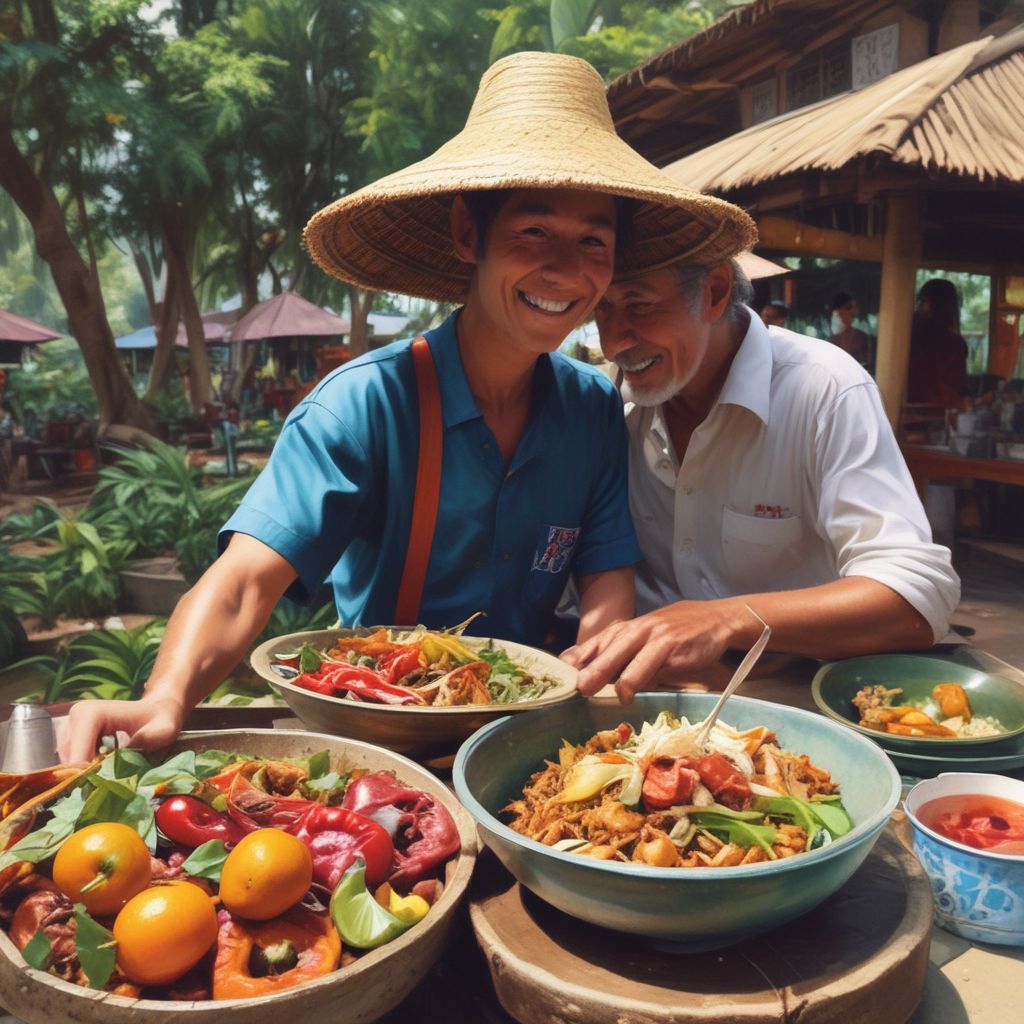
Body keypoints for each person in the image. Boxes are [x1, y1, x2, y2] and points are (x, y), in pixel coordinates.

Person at [61, 51, 754, 761]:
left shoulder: (593, 409)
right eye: (533, 232)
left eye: (593, 242)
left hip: (527, 740)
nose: (566, 269)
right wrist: (167, 695)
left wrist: (596, 677)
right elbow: (243, 583)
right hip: (375, 740)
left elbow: (605, 585)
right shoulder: (361, 407)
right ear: (467, 234)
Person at [563, 258, 960, 702]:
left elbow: (915, 598)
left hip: (797, 693)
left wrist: (724, 620)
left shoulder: (823, 388)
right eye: (602, 309)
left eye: (639, 305)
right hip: (643, 692)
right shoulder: (609, 402)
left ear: (714, 291)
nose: (612, 341)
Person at [907, 278, 969, 409]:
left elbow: (954, 387)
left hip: (921, 413)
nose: (919, 307)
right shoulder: (908, 338)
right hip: (934, 414)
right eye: (921, 301)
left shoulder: (954, 344)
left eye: (923, 302)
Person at [827, 292, 871, 368]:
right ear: (837, 312)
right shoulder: (830, 340)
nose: (853, 312)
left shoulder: (862, 337)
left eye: (855, 308)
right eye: (848, 307)